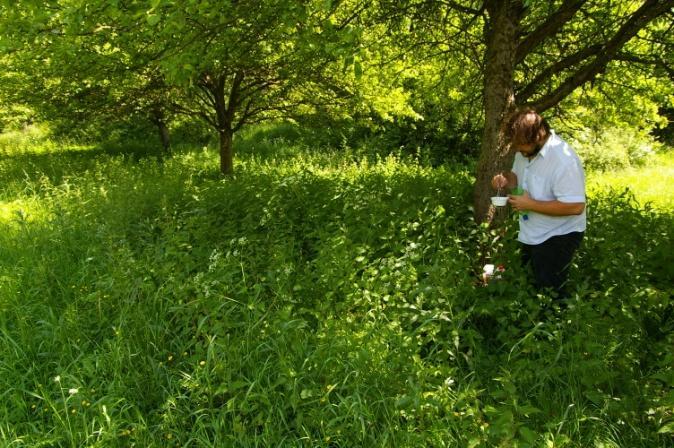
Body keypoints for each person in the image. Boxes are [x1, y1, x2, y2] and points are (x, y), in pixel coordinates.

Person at [492, 108, 586, 299]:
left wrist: (530, 204)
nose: (518, 150)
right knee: (530, 281)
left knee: (550, 291)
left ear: (538, 136)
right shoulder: (524, 152)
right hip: (531, 231)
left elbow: (576, 206)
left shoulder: (563, 160)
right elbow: (519, 179)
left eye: (521, 145)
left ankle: (557, 325)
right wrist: (506, 180)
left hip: (559, 234)